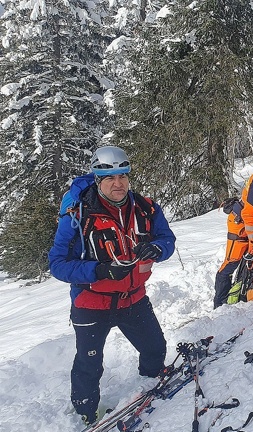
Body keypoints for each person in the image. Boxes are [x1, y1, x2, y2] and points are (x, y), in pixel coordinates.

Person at [48, 146, 176, 426]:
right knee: (88, 364)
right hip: (91, 303)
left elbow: (168, 240)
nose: (118, 184)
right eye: (110, 178)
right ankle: (85, 412)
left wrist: (156, 248)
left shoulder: (145, 207)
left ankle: (150, 385)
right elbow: (57, 264)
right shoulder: (77, 214)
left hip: (133, 298)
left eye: (122, 177)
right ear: (98, 180)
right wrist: (99, 270)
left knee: (155, 349)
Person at [212, 197, 247, 308]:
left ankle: (224, 300)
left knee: (236, 265)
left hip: (245, 228)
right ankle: (219, 304)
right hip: (239, 229)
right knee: (229, 265)